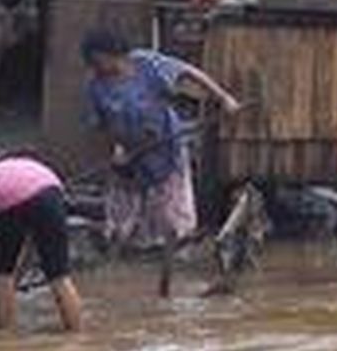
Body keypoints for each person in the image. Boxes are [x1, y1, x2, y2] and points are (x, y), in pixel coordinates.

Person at [81, 29, 241, 296]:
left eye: (99, 60)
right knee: (120, 226)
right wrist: (117, 149)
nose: (97, 66)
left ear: (113, 54)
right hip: (130, 158)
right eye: (92, 62)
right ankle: (109, 282)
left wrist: (223, 98)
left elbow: (189, 72)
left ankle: (165, 285)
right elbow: (102, 126)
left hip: (165, 148)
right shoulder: (96, 86)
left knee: (171, 223)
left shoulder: (146, 64)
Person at [0, 140, 82, 333]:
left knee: (2, 275)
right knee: (60, 276)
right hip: (52, 192)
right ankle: (75, 336)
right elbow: (32, 241)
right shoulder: (24, 164)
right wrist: (18, 280)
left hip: (8, 201)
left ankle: (5, 340)